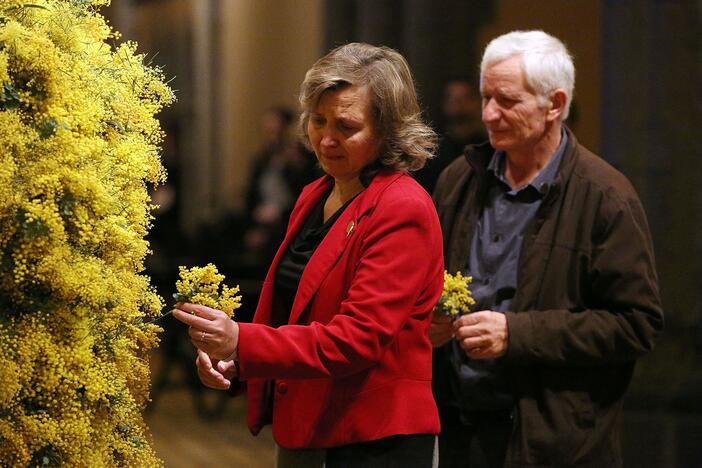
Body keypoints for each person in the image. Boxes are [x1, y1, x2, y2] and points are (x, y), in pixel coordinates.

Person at [174, 42, 444, 467]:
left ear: (389, 130)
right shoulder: (315, 195)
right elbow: (292, 315)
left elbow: (357, 339)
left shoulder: (402, 206)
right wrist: (237, 362)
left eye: (347, 126)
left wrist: (243, 341)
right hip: (308, 427)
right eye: (318, 121)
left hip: (374, 441)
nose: (327, 138)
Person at [430, 30, 663, 467]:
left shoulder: (605, 196)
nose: (488, 114)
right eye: (485, 98)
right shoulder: (459, 179)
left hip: (551, 443)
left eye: (506, 100)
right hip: (457, 429)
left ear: (554, 104)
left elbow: (637, 325)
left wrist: (517, 334)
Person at [415, 78, 486, 194]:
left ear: (477, 103)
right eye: (453, 99)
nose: (459, 103)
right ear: (444, 104)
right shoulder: (431, 151)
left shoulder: (487, 148)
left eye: (465, 98)